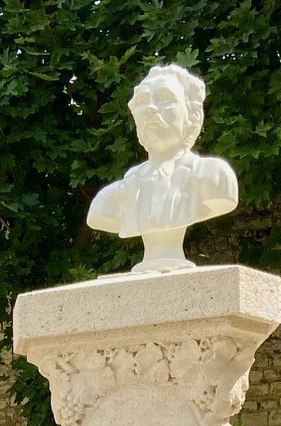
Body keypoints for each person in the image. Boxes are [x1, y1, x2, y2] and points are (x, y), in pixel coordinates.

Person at [87, 63, 239, 272]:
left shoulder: (213, 176)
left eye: (164, 99)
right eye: (142, 101)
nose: (150, 108)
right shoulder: (109, 199)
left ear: (191, 115)